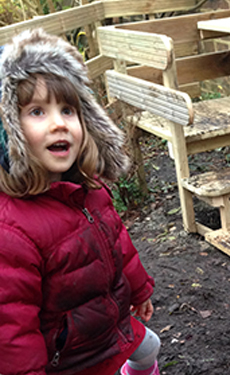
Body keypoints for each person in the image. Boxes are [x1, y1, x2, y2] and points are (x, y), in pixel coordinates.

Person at [0, 29, 161, 375]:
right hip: (72, 360)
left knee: (150, 348)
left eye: (68, 110)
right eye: (37, 112)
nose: (59, 123)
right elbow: (11, 329)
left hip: (108, 328)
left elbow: (119, 242)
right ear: (8, 131)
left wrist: (139, 288)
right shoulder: (11, 231)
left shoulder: (89, 187)